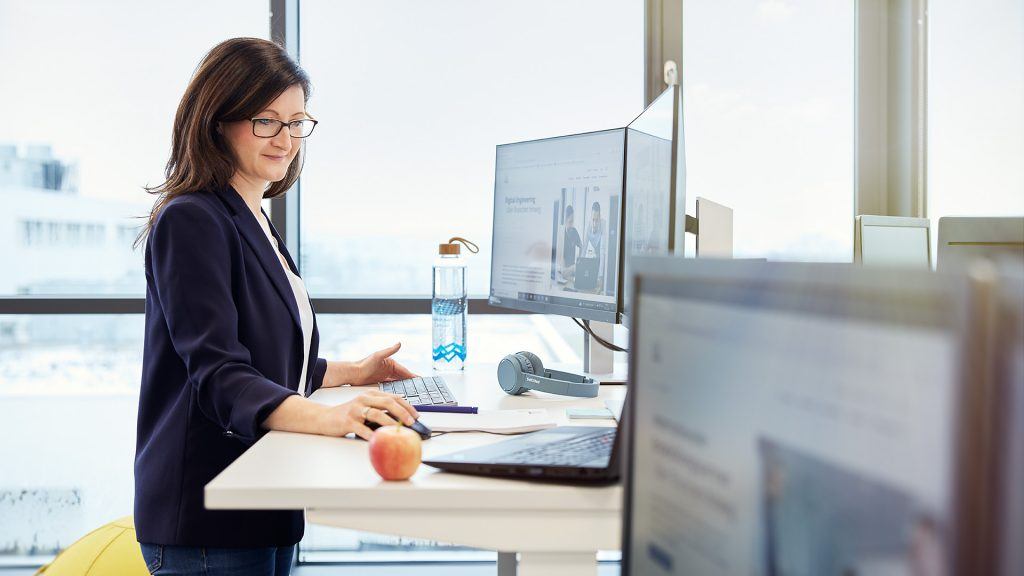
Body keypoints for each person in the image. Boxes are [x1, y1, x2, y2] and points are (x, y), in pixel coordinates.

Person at [133, 37, 419, 576]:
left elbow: (264, 356)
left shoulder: (252, 216)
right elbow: (219, 373)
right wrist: (334, 420)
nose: (285, 138)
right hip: (206, 519)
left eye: (296, 122)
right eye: (266, 120)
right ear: (218, 120)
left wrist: (348, 373)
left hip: (261, 506)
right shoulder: (191, 219)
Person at [561, 204, 583, 278]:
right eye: (570, 222)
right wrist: (567, 269)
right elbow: (561, 258)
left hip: (573, 268)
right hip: (564, 269)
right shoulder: (561, 235)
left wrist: (579, 259)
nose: (572, 224)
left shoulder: (574, 231)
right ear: (565, 220)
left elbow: (581, 246)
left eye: (573, 221)